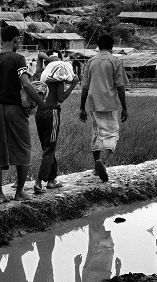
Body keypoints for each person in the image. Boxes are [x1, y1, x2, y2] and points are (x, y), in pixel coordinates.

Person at [0, 27, 46, 202]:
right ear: (15, 40)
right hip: (15, 109)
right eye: (19, 40)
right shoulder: (18, 59)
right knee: (23, 147)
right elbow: (26, 84)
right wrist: (41, 103)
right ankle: (19, 192)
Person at [78, 33, 126, 182]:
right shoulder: (115, 61)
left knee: (97, 134)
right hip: (109, 103)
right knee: (112, 134)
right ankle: (103, 161)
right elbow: (120, 87)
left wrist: (81, 108)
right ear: (112, 47)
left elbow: (85, 87)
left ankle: (95, 168)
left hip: (93, 103)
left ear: (98, 46)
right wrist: (124, 107)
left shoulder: (91, 62)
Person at [32, 51, 77, 193]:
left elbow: (39, 54)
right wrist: (73, 84)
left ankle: (51, 180)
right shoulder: (57, 76)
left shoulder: (41, 74)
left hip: (39, 112)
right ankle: (39, 182)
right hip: (52, 112)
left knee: (47, 147)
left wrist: (47, 58)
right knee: (49, 148)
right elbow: (61, 98)